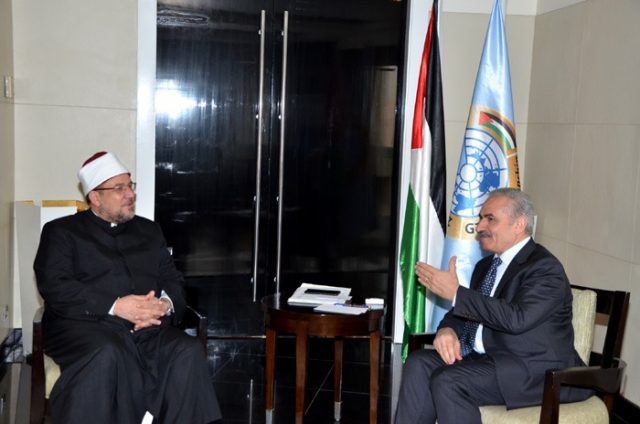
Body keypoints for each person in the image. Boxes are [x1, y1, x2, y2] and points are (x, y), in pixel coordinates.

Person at [34, 151, 222, 424]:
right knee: (108, 352)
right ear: (95, 197)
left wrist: (164, 305)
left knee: (186, 350)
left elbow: (173, 279)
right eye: (119, 188)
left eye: (130, 185)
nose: (130, 194)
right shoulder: (61, 232)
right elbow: (55, 285)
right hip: (85, 326)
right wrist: (116, 306)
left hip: (147, 327)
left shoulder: (149, 231)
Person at [394, 188, 591, 424]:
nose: (479, 227)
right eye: (480, 219)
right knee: (419, 363)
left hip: (534, 371)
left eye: (490, 219)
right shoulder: (486, 266)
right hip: (488, 359)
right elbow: (466, 311)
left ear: (519, 224)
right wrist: (448, 329)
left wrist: (456, 293)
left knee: (449, 380)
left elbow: (517, 319)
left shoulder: (545, 269)